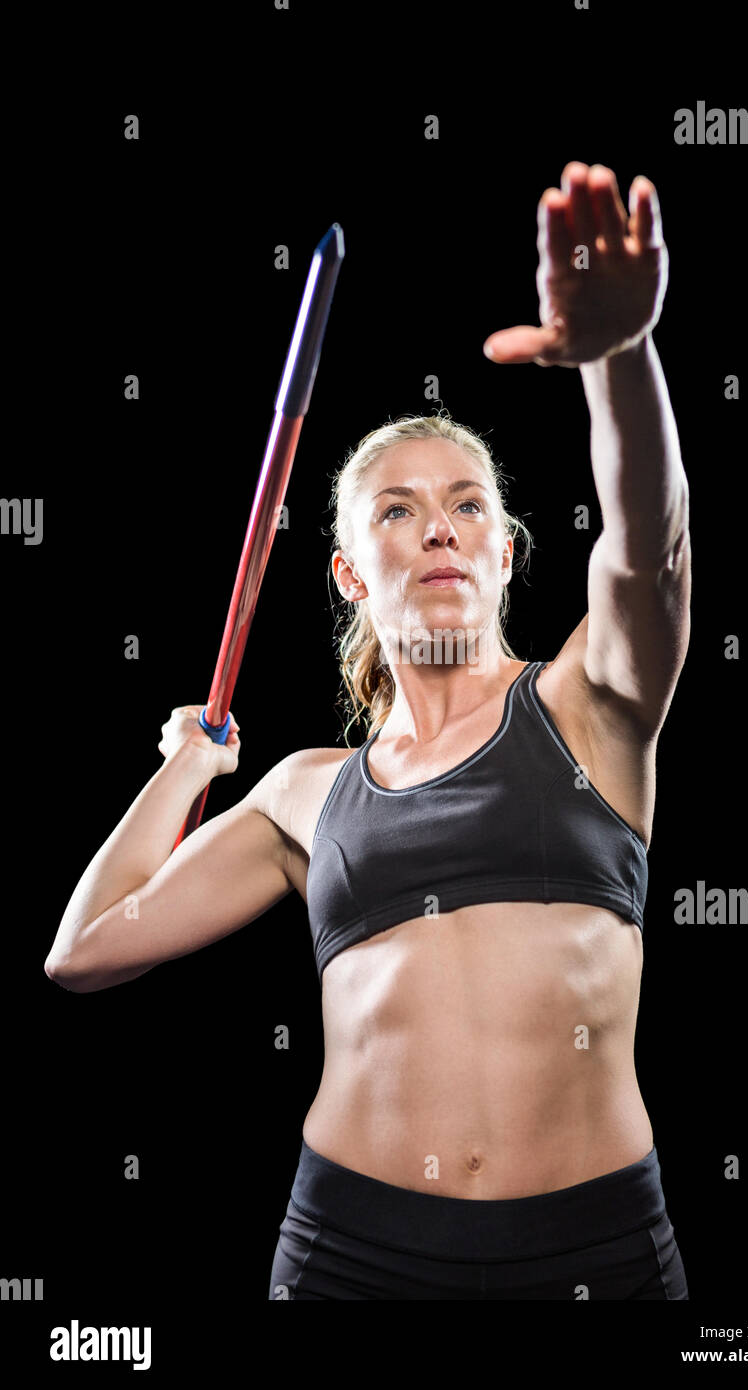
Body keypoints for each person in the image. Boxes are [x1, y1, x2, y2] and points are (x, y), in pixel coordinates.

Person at [45, 161, 692, 1300]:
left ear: (505, 552)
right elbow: (84, 950)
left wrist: (617, 360)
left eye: (467, 505)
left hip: (593, 1255)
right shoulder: (306, 790)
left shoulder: (590, 704)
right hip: (351, 1258)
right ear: (349, 573)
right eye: (396, 510)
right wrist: (184, 765)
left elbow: (649, 549)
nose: (437, 528)